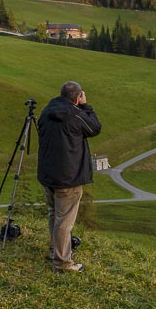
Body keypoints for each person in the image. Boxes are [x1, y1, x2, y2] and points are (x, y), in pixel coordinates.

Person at [37, 80, 101, 273]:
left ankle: (54, 250)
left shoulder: (46, 112)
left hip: (48, 173)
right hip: (68, 176)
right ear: (77, 97)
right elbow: (95, 128)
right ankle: (62, 263)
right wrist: (86, 106)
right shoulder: (75, 115)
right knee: (64, 221)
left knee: (54, 214)